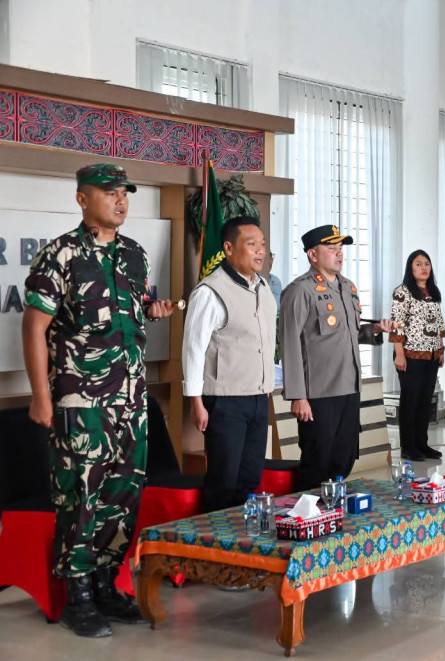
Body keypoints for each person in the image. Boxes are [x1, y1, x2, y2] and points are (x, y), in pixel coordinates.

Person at [22, 164, 174, 637]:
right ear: (82, 199)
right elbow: (34, 327)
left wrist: (154, 310)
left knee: (122, 497)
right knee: (81, 498)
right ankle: (78, 596)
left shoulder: (134, 255)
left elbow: (130, 311)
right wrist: (41, 397)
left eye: (124, 193)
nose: (121, 200)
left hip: (130, 401)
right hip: (79, 401)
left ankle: (108, 584)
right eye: (109, 193)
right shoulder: (61, 254)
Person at [279, 225, 390, 486]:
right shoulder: (299, 291)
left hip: (349, 387)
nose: (339, 254)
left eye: (340, 249)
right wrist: (297, 396)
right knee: (318, 460)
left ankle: (333, 513)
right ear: (312, 255)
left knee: (345, 456)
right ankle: (307, 517)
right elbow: (290, 344)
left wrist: (373, 330)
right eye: (331, 249)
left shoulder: (348, 288)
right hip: (318, 393)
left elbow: (347, 333)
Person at [183, 217, 276, 511]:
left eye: (262, 245)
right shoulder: (210, 292)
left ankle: (242, 543)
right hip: (225, 401)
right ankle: (213, 546)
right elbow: (193, 350)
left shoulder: (263, 287)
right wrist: (196, 402)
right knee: (224, 480)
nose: (260, 251)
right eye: (251, 245)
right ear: (228, 248)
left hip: (258, 397)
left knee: (249, 477)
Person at [390, 250, 445, 461]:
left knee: (425, 401)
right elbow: (398, 324)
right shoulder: (403, 292)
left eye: (427, 264)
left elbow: (439, 323)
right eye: (418, 264)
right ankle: (408, 447)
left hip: (431, 354)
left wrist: (440, 350)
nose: (424, 268)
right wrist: (399, 354)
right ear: (410, 268)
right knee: (411, 401)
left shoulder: (433, 291)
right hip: (410, 354)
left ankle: (422, 444)